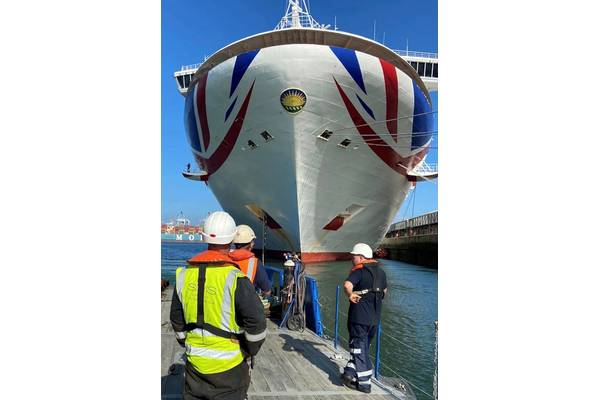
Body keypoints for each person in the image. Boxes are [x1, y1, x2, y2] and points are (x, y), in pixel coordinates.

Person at [170, 211, 267, 400]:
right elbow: (257, 327)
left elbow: (176, 321)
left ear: (204, 236)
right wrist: (247, 351)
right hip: (230, 371)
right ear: (232, 238)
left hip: (194, 366)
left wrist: (188, 343)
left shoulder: (182, 275)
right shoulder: (236, 279)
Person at [341, 243, 388, 394]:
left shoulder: (359, 270)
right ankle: (349, 371)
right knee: (364, 348)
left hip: (359, 318)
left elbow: (347, 285)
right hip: (374, 319)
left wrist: (351, 295)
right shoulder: (381, 272)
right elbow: (385, 291)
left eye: (353, 256)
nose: (351, 258)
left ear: (361, 257)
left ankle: (364, 384)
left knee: (358, 348)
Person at [229, 224, 272, 296]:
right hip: (245, 304)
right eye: (252, 241)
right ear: (251, 244)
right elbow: (267, 291)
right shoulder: (255, 263)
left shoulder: (225, 258)